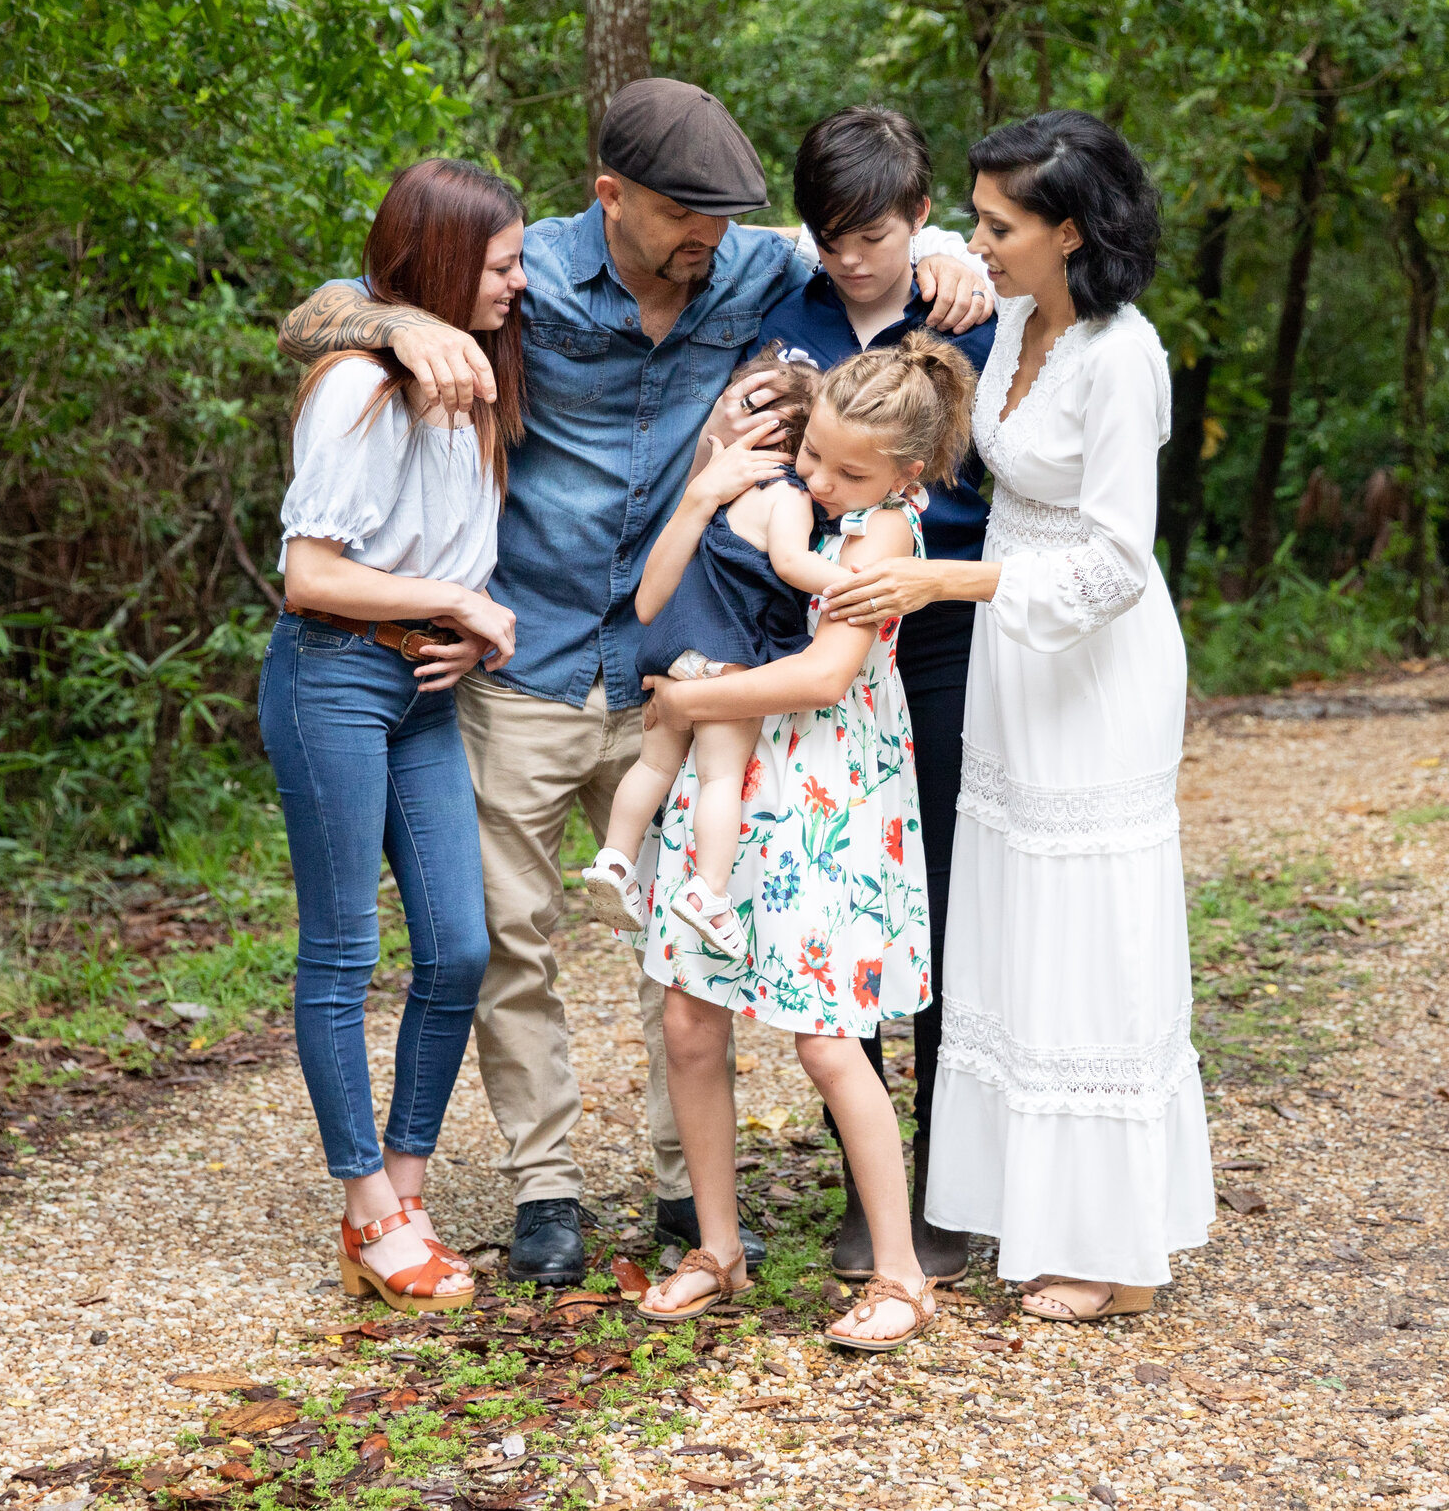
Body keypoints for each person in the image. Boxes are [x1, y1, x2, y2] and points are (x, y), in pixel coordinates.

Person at [275, 79, 995, 1287]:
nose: (704, 240)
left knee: (687, 934)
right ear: (609, 195)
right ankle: (544, 1183)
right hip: (525, 654)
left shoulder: (749, 267)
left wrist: (935, 243)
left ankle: (681, 1187)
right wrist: (394, 324)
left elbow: (860, 236)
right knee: (513, 937)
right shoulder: (529, 272)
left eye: (723, 217)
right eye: (680, 216)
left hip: (680, 654)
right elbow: (327, 305)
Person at [820, 111, 1216, 1322]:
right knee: (1013, 924)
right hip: (1010, 660)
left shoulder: (1119, 351)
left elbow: (1112, 564)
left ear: (1069, 231)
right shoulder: (1021, 323)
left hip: (1092, 662)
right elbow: (866, 233)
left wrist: (946, 581)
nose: (973, 242)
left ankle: (1119, 1242)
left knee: (1087, 928)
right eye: (975, 221)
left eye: (996, 226)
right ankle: (1030, 1205)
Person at [631, 336, 977, 1348]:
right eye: (814, 455)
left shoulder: (883, 539)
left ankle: (901, 1270)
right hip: (734, 781)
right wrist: (705, 491)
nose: (820, 479)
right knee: (692, 1020)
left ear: (907, 475)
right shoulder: (792, 498)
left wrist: (694, 696)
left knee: (829, 1039)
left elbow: (827, 674)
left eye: (847, 470)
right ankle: (718, 1245)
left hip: (825, 797)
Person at [260, 159, 530, 1314]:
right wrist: (457, 603)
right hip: (332, 680)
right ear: (441, 263)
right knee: (341, 953)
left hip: (424, 685)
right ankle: (367, 1207)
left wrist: (461, 626)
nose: (519, 283)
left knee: (459, 948)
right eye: (502, 263)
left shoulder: (474, 383)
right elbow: (307, 574)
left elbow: (445, 557)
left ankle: (405, 1188)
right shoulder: (356, 387)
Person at [748, 105, 996, 1287]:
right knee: (844, 914)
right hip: (814, 635)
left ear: (919, 216)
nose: (851, 258)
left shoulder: (962, 306)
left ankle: (944, 1189)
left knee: (934, 904)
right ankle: (867, 1184)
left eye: (875, 235)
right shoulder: (778, 308)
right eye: (830, 234)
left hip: (936, 639)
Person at [578, 355, 840, 950]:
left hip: (672, 655)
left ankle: (616, 859)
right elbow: (792, 564)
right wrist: (849, 580)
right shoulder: (786, 496)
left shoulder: (716, 489)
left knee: (653, 766)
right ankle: (709, 891)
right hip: (728, 660)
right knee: (722, 777)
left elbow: (656, 591)